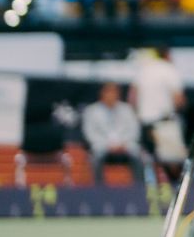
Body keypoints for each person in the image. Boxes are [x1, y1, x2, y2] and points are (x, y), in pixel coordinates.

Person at [129, 47, 187, 180]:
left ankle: (153, 190)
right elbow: (179, 99)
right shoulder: (169, 69)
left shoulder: (143, 70)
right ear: (166, 55)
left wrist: (140, 116)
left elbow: (132, 98)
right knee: (174, 162)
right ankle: (178, 192)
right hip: (165, 124)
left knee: (151, 161)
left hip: (145, 124)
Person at [80, 82, 142, 178]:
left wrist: (122, 144)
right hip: (102, 146)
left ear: (118, 94)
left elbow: (134, 131)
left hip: (125, 145)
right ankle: (98, 190)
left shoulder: (127, 109)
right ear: (102, 93)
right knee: (95, 158)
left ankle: (139, 189)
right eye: (108, 92)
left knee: (140, 157)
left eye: (114, 92)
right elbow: (90, 133)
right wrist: (108, 145)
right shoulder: (92, 110)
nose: (111, 95)